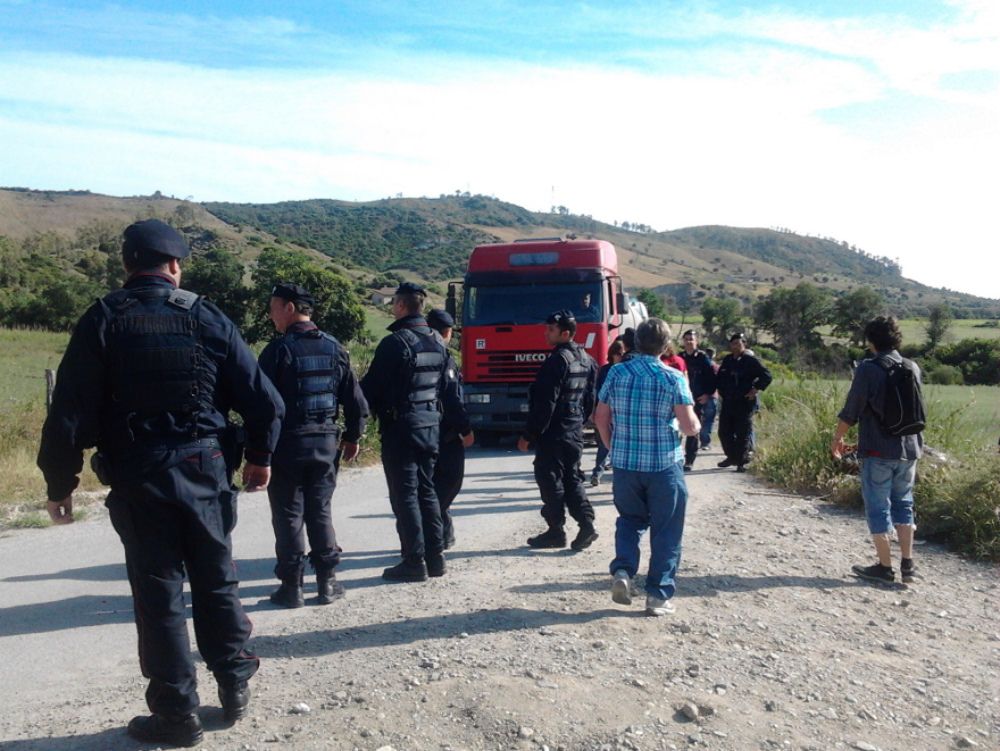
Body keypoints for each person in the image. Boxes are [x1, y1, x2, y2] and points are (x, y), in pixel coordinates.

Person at [37, 219, 284, 747]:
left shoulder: (103, 319)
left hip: (139, 475)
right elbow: (264, 401)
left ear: (128, 266)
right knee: (217, 580)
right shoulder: (206, 316)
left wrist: (61, 483)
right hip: (205, 469)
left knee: (160, 595)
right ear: (175, 266)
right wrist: (260, 457)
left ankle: (176, 716)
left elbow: (68, 413)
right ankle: (235, 684)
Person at [258, 282, 369, 608]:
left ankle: (292, 588)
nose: (270, 314)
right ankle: (327, 583)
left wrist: (258, 449)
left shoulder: (278, 351)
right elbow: (356, 401)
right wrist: (353, 436)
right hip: (325, 443)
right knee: (319, 510)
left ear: (290, 308)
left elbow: (261, 404)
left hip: (288, 444)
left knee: (289, 513)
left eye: (274, 306)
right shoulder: (336, 348)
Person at [594, 318, 699, 616]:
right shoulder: (673, 377)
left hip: (626, 466)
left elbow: (600, 417)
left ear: (635, 343)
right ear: (666, 346)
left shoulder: (616, 372)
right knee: (666, 530)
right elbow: (690, 426)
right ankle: (657, 596)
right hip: (663, 465)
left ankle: (624, 571)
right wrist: (696, 423)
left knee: (629, 519)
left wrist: (613, 446)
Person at [361, 282, 449, 582]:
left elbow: (370, 389)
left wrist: (358, 420)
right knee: (427, 491)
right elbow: (445, 388)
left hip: (402, 427)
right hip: (430, 425)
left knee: (405, 495)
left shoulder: (396, 343)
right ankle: (435, 559)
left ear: (400, 305)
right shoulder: (438, 340)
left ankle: (413, 561)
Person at [831, 316, 923, 585]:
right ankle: (908, 565)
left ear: (870, 340)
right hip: (909, 449)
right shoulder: (912, 367)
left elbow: (852, 409)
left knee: (877, 506)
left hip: (878, 451)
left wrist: (837, 438)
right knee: (904, 504)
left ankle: (884, 567)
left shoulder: (868, 369)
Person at [518, 309, 599, 550]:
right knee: (572, 478)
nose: (546, 333)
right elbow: (589, 399)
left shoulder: (557, 361)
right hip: (573, 430)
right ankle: (586, 525)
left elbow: (545, 403)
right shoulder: (587, 359)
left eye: (550, 330)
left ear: (565, 333)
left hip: (554, 432)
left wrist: (529, 435)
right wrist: (577, 422)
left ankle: (556, 530)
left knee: (550, 479)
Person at [426, 308, 475, 549]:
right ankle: (437, 535)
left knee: (432, 484)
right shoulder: (445, 357)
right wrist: (465, 430)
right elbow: (453, 399)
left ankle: (443, 532)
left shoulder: (415, 353)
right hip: (445, 433)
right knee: (449, 482)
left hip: (420, 431)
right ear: (447, 332)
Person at [716, 332, 772, 472]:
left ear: (744, 344)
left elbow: (766, 376)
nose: (735, 346)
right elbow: (721, 378)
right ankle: (731, 456)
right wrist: (721, 392)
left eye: (738, 343)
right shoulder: (728, 360)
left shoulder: (751, 361)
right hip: (728, 401)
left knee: (742, 432)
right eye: (733, 343)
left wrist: (756, 389)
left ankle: (741, 461)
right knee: (724, 431)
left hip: (744, 402)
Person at [679, 330, 717, 471]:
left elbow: (712, 378)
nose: (689, 342)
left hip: (696, 399)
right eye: (687, 339)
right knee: (676, 430)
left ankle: (689, 460)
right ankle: (675, 458)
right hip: (680, 399)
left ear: (697, 341)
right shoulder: (679, 357)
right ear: (683, 341)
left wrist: (708, 394)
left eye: (691, 339)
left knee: (693, 430)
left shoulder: (702, 358)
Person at [590, 339, 626, 487]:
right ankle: (597, 473)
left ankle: (618, 477)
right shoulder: (605, 370)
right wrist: (594, 411)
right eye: (618, 354)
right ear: (612, 354)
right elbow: (596, 391)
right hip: (606, 412)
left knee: (620, 447)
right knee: (604, 445)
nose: (620, 357)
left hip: (621, 413)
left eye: (623, 354)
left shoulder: (626, 370)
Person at [699, 347, 720, 450]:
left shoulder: (699, 366)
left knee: (698, 418)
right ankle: (705, 442)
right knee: (708, 420)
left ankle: (694, 441)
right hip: (712, 396)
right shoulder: (716, 367)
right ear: (714, 355)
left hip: (699, 396)